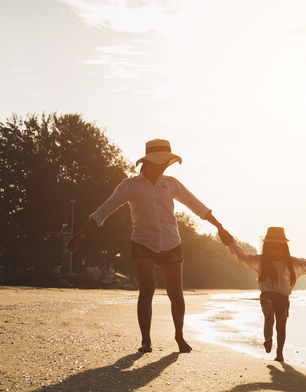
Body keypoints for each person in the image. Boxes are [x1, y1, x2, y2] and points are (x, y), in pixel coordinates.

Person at [67, 138, 233, 353]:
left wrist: (220, 227)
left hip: (171, 242)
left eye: (167, 162)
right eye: (162, 162)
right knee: (147, 289)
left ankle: (179, 337)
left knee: (176, 294)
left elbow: (197, 205)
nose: (165, 165)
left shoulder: (171, 183)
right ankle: (146, 341)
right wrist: (80, 234)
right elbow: (104, 210)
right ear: (149, 162)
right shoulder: (129, 186)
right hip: (142, 242)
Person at [224, 227, 306, 362]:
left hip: (283, 299)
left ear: (284, 248)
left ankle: (279, 353)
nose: (275, 252)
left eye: (279, 249)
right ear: (266, 248)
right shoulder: (261, 261)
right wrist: (231, 242)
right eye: (272, 248)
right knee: (269, 315)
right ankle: (268, 339)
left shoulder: (291, 263)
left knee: (281, 326)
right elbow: (243, 256)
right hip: (267, 296)